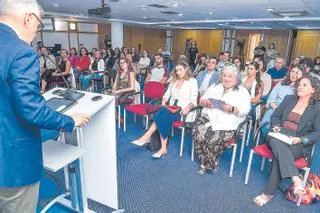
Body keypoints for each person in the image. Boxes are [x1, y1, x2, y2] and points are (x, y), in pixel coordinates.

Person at [0, 1, 90, 213]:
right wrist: (69, 120)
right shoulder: (21, 51)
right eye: (38, 25)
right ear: (28, 17)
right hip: (12, 163)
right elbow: (31, 110)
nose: (36, 31)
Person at [253, 75, 320, 206]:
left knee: (279, 157)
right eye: (299, 84)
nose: (300, 86)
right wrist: (276, 126)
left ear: (313, 89)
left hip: (297, 140)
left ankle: (268, 194)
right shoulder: (289, 99)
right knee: (276, 140)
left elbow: (318, 132)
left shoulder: (317, 107)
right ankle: (296, 179)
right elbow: (275, 116)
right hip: (278, 134)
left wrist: (300, 139)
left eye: (305, 85)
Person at [132, 61, 198, 158]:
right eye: (177, 70)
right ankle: (162, 148)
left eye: (180, 70)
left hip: (184, 111)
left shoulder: (192, 81)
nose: (178, 72)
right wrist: (164, 101)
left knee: (162, 113)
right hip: (171, 108)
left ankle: (147, 137)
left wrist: (188, 108)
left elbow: (194, 99)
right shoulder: (174, 80)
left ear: (186, 69)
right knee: (164, 113)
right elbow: (167, 95)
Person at [193, 64, 251, 174]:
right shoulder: (215, 86)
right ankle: (207, 159)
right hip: (210, 118)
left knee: (213, 139)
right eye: (224, 76)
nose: (226, 78)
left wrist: (233, 109)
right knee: (198, 133)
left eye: (230, 76)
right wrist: (205, 102)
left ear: (236, 78)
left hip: (228, 123)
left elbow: (246, 109)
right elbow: (203, 98)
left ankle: (206, 163)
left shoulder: (242, 92)